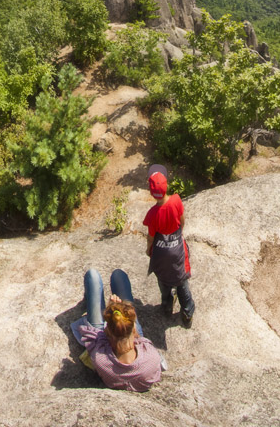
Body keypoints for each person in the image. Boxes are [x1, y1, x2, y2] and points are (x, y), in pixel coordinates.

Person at [71, 268, 164, 392]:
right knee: (118, 275)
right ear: (134, 329)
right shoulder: (152, 358)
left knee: (93, 276)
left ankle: (90, 299)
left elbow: (99, 339)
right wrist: (117, 311)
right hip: (123, 336)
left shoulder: (100, 359)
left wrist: (112, 310)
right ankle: (120, 312)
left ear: (108, 330)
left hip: (112, 337)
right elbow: (142, 341)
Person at [142, 164, 195, 327]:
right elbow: (183, 220)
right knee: (182, 281)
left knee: (164, 281)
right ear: (166, 185)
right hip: (177, 250)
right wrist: (179, 235)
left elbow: (151, 237)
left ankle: (166, 306)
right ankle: (187, 313)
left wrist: (148, 249)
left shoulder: (152, 214)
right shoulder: (176, 201)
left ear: (152, 193)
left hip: (161, 255)